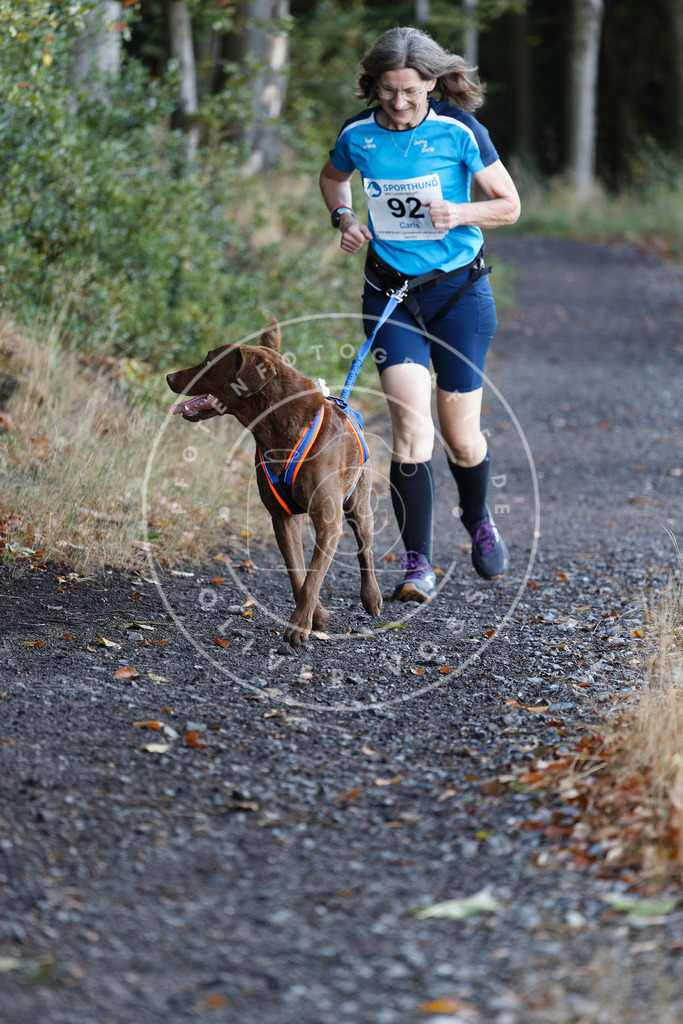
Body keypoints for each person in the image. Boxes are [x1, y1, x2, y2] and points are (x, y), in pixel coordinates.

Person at [319, 25, 521, 603]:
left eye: (411, 90)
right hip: (390, 293)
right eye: (387, 90)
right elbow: (333, 180)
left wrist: (457, 212)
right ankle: (417, 566)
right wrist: (345, 219)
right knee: (410, 429)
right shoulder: (357, 134)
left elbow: (509, 205)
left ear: (432, 82)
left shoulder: (460, 131)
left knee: (461, 438)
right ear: (373, 86)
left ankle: (479, 518)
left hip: (459, 294)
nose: (400, 102)